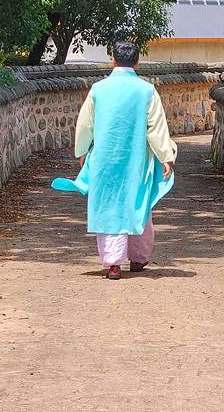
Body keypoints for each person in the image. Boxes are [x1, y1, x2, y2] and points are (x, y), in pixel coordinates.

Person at [51, 42, 177, 279]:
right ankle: (138, 258)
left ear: (113, 60)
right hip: (137, 161)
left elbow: (86, 124)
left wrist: (83, 152)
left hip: (105, 159)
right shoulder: (147, 91)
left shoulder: (99, 89)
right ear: (137, 62)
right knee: (138, 204)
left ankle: (113, 263)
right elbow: (156, 128)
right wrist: (165, 156)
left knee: (109, 206)